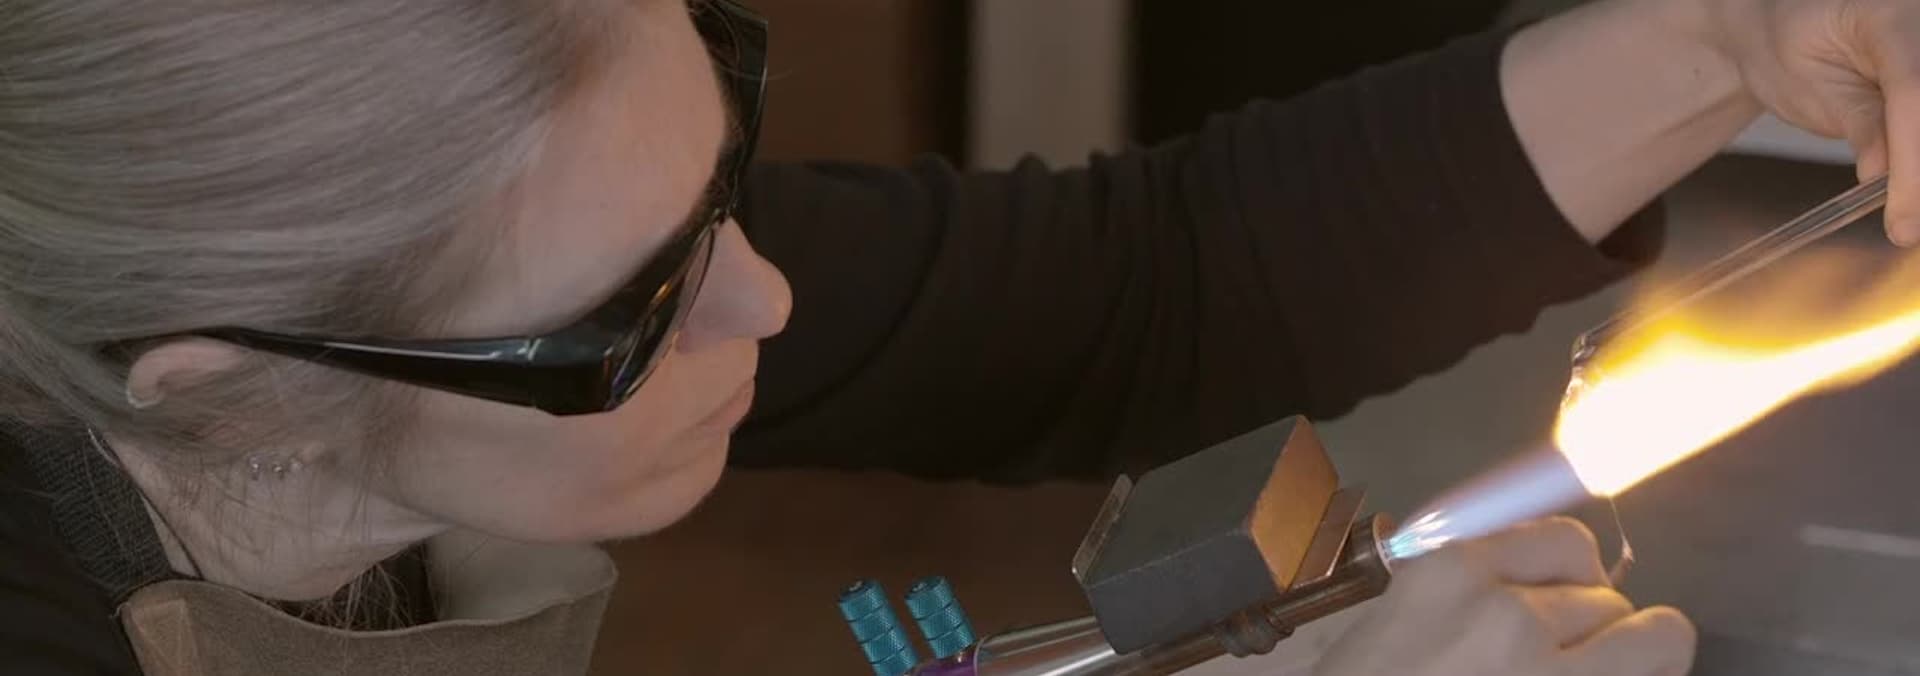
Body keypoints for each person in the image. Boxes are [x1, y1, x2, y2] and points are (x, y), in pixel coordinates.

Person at [0, 0, 1914, 674]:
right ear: (234, 390)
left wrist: (1726, 41)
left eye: (725, 187)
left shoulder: (510, 254)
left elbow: (1141, 286)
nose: (767, 299)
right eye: (637, 312)